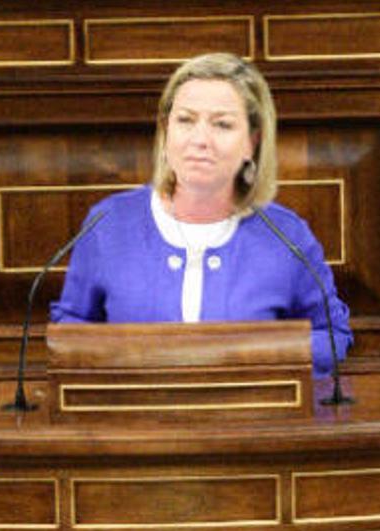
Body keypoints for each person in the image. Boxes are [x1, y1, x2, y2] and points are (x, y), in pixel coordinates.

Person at [51, 52, 352, 376]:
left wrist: (253, 357)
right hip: (135, 420)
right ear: (166, 132)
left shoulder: (287, 236)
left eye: (222, 124)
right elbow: (71, 329)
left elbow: (332, 336)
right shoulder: (107, 223)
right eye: (185, 120)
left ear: (252, 141)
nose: (200, 140)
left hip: (250, 420)